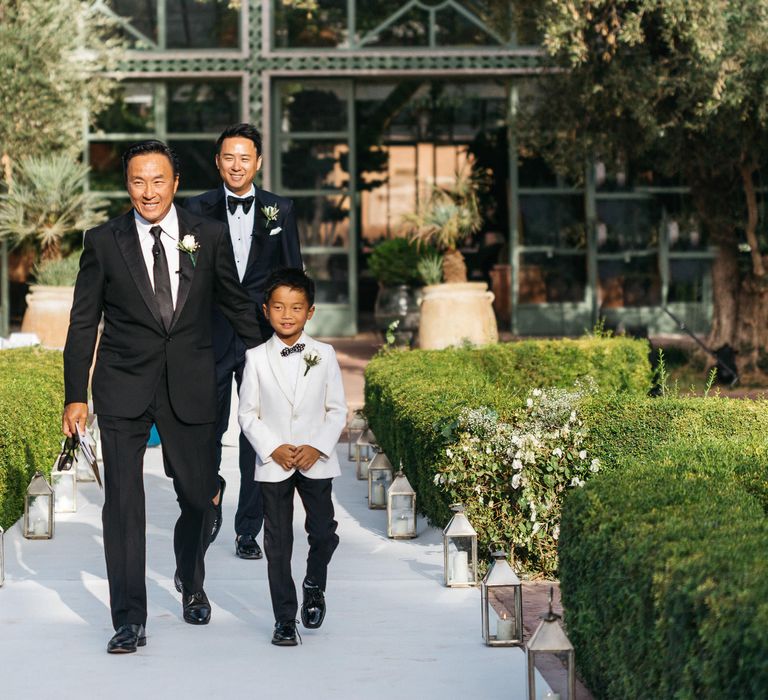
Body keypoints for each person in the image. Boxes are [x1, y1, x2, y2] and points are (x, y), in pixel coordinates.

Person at [62, 140, 263, 654]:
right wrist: (74, 395)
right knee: (123, 505)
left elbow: (238, 307)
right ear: (126, 185)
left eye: (157, 181)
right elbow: (84, 321)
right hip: (122, 388)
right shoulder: (103, 242)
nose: (147, 192)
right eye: (137, 181)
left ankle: (190, 578)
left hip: (192, 385)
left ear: (175, 184)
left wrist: (279, 358)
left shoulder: (209, 236)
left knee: (197, 496)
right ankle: (129, 619)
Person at [185, 123, 302, 560]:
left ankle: (247, 529)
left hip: (259, 337)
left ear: (258, 162)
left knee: (256, 433)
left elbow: (293, 276)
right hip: (208, 335)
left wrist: (291, 336)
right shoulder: (194, 209)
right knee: (207, 427)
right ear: (218, 162)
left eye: (245, 157)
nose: (237, 165)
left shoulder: (280, 210)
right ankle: (207, 499)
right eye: (228, 157)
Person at [238, 268, 346, 646]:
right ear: (265, 310)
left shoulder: (325, 354)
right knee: (277, 544)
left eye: (296, 307)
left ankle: (314, 583)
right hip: (275, 463)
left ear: (310, 312)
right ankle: (284, 618)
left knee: (322, 532)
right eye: (279, 307)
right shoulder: (255, 358)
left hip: (315, 458)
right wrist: (272, 448)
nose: (287, 315)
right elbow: (247, 413)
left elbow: (337, 410)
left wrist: (317, 445)